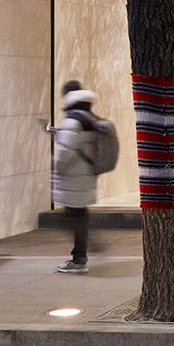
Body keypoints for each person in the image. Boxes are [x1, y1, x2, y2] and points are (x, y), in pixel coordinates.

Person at [52, 86, 101, 273]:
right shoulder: (91, 121)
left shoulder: (73, 122)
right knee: (78, 215)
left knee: (71, 217)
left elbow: (66, 152)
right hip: (86, 175)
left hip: (73, 177)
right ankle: (84, 251)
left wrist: (57, 169)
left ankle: (80, 258)